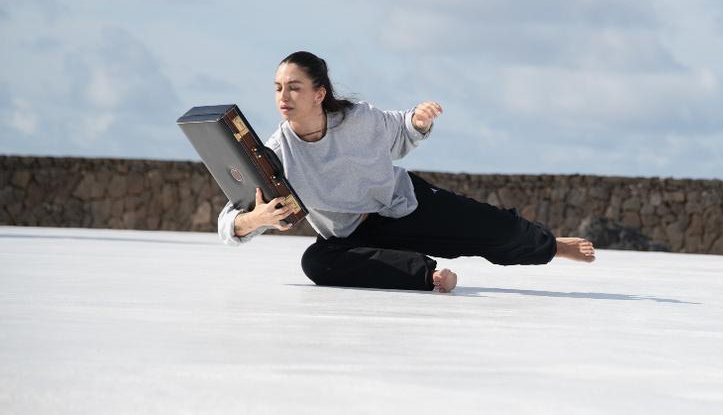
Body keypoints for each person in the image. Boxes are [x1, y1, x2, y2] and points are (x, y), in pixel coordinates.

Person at [216, 50, 595, 293]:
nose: (283, 97)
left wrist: (418, 119)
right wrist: (254, 219)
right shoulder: (275, 154)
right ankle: (426, 276)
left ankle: (554, 246)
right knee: (316, 262)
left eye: (294, 87)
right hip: (353, 237)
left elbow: (400, 131)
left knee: (496, 229)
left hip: (403, 206)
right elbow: (229, 220)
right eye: (278, 87)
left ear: (319, 93)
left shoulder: (357, 120)